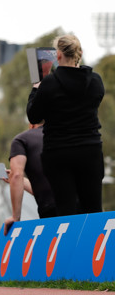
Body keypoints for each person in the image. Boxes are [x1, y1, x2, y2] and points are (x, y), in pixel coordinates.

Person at [27, 34, 105, 216]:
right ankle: (94, 244)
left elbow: (34, 116)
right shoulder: (95, 81)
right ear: (80, 53)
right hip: (90, 151)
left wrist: (35, 90)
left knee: (66, 209)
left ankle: (69, 245)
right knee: (93, 209)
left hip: (59, 152)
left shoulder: (49, 84)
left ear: (58, 56)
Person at [3, 122, 57, 235]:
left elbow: (17, 174)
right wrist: (18, 180)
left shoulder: (22, 139)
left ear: (32, 125)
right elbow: (47, 188)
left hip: (51, 213)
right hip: (81, 209)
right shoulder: (64, 135)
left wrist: (15, 218)